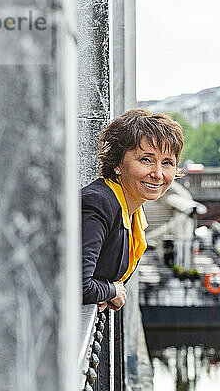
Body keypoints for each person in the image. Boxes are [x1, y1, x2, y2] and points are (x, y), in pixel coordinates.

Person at [81, 109, 184, 310]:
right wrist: (112, 291)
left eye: (167, 163)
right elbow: (78, 286)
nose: (158, 174)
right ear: (117, 162)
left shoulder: (132, 211)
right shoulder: (97, 204)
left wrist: (106, 287)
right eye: (146, 159)